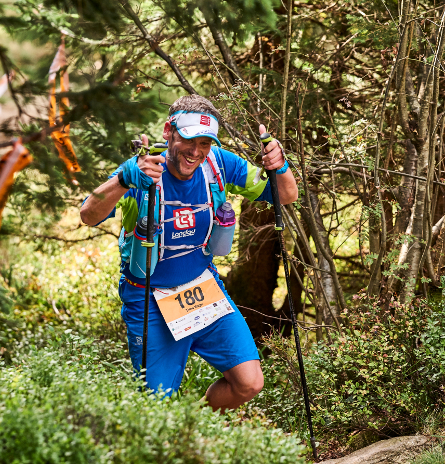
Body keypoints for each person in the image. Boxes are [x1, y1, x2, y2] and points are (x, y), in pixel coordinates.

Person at [80, 95, 298, 411]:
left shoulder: (220, 164)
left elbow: (287, 194)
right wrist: (124, 179)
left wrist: (280, 165)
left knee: (249, 383)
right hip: (149, 298)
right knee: (156, 406)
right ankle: (171, 434)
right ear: (169, 131)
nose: (195, 151)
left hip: (201, 289)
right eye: (188, 139)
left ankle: (195, 422)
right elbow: (88, 214)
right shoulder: (142, 170)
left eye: (205, 142)